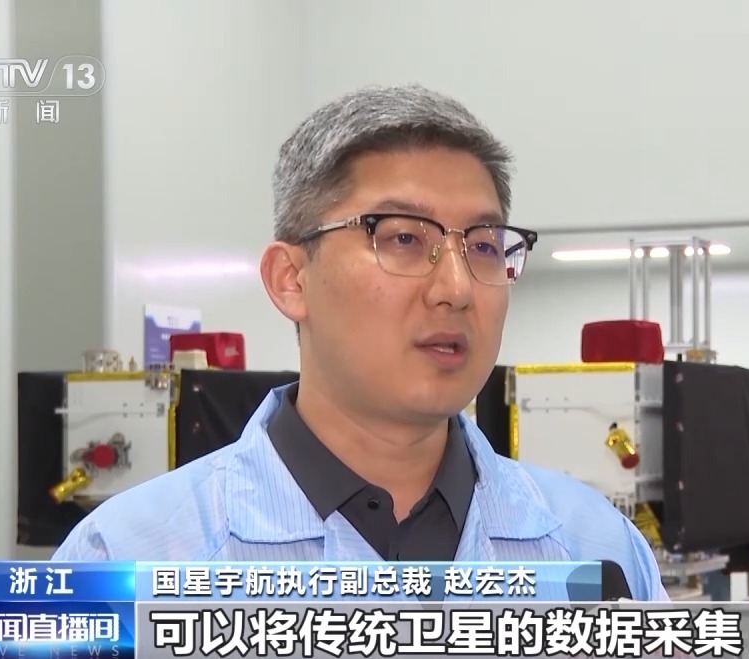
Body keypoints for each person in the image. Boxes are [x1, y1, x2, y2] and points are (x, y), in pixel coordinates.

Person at [52, 84, 667, 600]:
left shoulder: (598, 551)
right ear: (291, 279)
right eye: (403, 238)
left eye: (483, 245)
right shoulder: (122, 563)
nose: (456, 288)